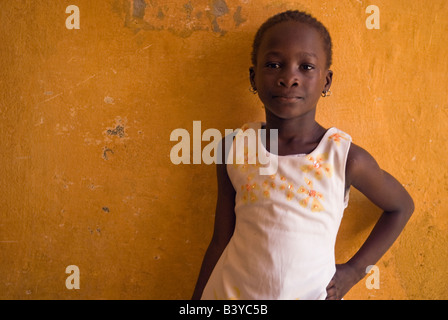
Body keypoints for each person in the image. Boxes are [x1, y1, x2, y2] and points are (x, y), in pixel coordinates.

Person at [191, 10, 414, 300]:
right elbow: (221, 239)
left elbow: (401, 207)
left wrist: (356, 270)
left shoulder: (344, 157)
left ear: (327, 81)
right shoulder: (233, 148)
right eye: (273, 64)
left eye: (306, 67)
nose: (289, 78)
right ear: (253, 77)